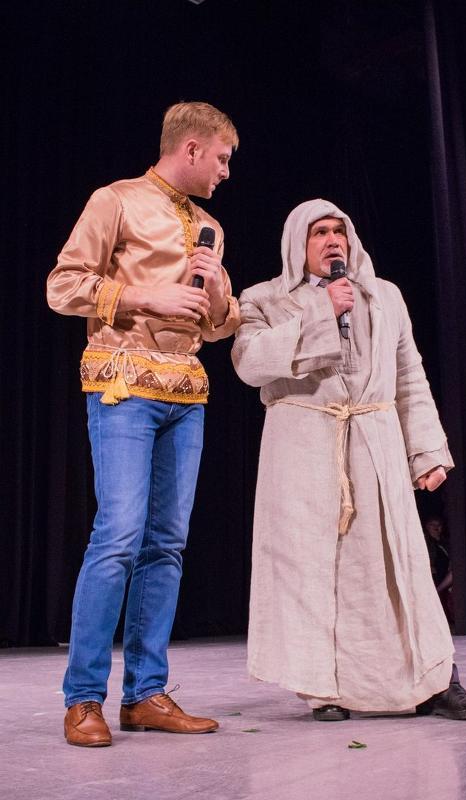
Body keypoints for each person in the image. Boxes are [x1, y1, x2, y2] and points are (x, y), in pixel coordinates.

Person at [231, 199, 466, 722]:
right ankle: (325, 688)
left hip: (374, 440)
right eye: (319, 232)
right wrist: (322, 313)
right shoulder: (263, 298)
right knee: (312, 573)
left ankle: (437, 682)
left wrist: (425, 451)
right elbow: (250, 363)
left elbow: (409, 374)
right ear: (297, 243)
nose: (333, 241)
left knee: (399, 566)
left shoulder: (383, 296)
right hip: (302, 448)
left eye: (339, 231)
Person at [47, 101, 240, 747]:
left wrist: (216, 292)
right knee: (118, 537)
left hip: (186, 393)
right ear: (191, 149)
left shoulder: (210, 227)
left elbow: (220, 325)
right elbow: (62, 284)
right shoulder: (117, 200)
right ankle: (83, 699)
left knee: (167, 545)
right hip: (124, 384)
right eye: (221, 159)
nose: (225, 172)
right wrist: (142, 295)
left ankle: (146, 694)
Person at [424, 515, 454, 626]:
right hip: (432, 577)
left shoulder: (445, 544)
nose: (436, 528)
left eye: (439, 525)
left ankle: (437, 591)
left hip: (444, 578)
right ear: (427, 527)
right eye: (433, 525)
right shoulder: (426, 543)